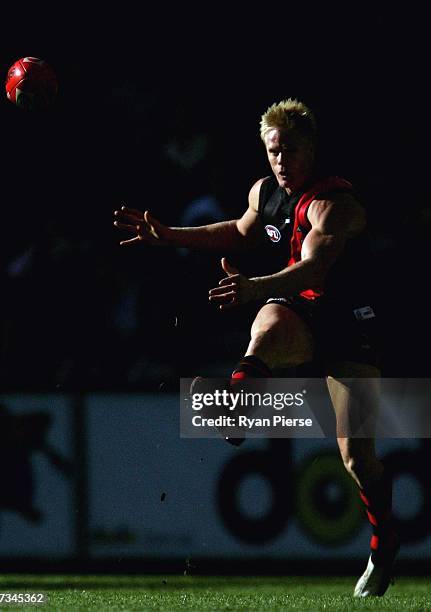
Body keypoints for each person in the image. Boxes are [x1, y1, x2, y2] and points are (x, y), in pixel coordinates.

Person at [113, 98, 399, 597]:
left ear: (311, 148)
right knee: (266, 326)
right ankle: (239, 406)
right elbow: (241, 231)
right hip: (302, 311)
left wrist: (254, 286)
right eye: (273, 151)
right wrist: (169, 236)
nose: (281, 160)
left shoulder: (335, 204)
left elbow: (315, 269)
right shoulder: (265, 192)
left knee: (357, 459)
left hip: (352, 326)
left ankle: (385, 541)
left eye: (289, 150)